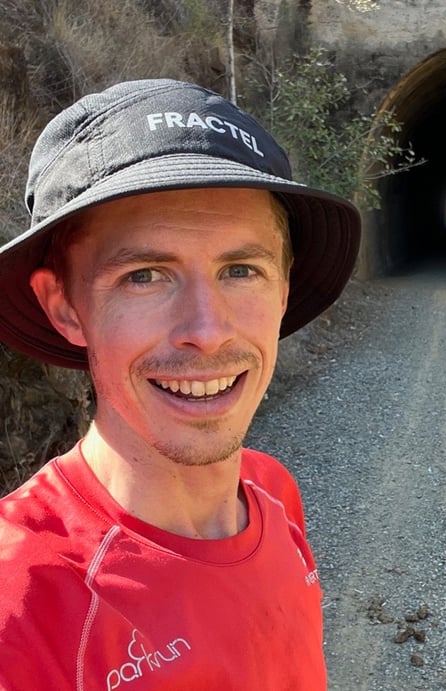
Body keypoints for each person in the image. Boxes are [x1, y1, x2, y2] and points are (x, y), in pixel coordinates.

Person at [0, 79, 360, 690]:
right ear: (64, 307)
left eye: (241, 270)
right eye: (145, 276)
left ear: (283, 289)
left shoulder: (272, 492)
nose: (208, 331)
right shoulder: (22, 602)